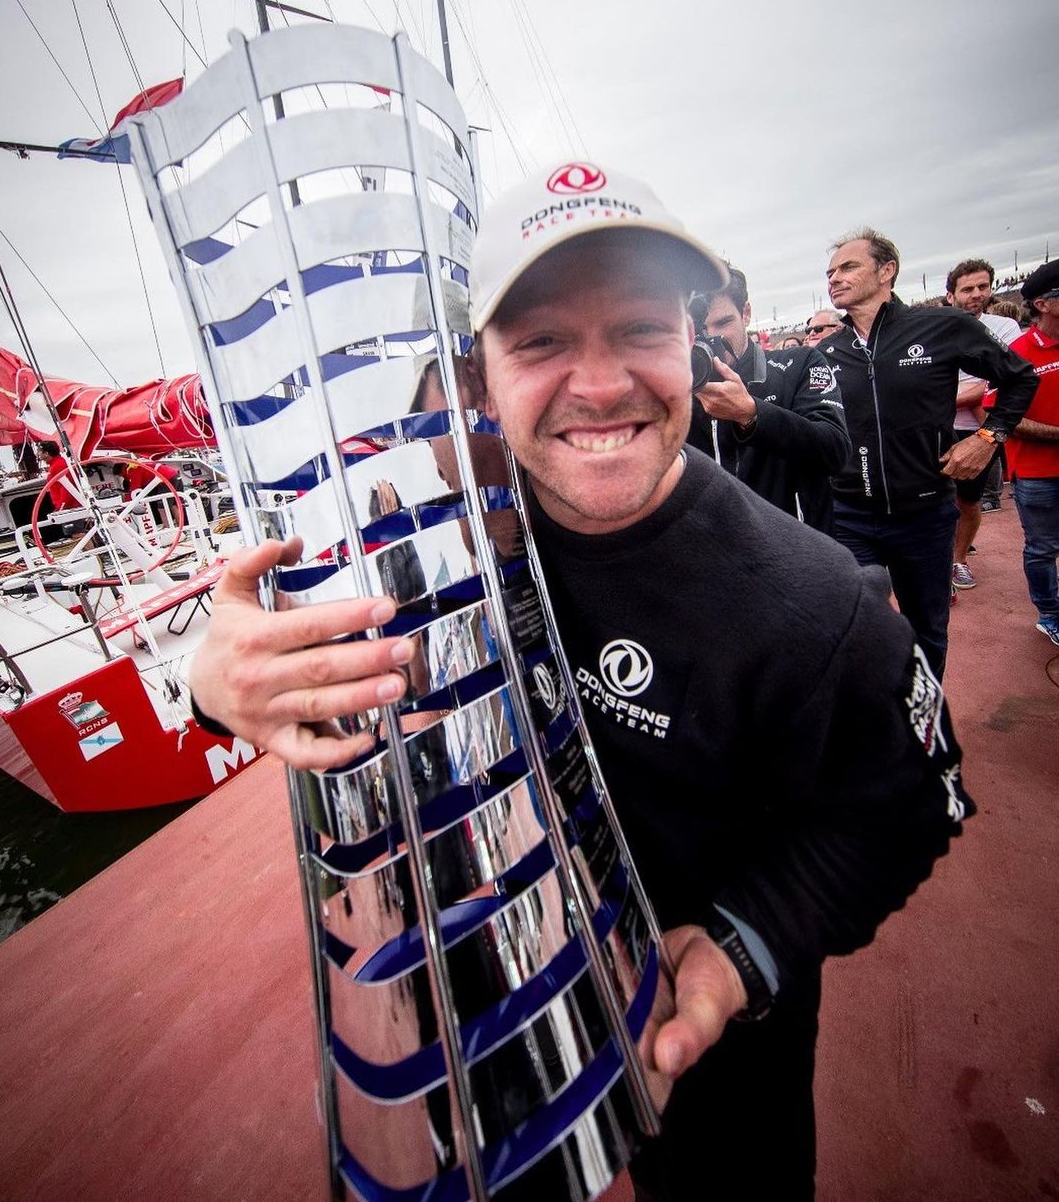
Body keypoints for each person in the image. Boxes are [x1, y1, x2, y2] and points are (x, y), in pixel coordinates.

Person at [189, 164, 973, 1200]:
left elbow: (913, 809)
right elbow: (307, 664)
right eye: (542, 341)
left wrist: (745, 946)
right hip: (527, 987)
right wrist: (216, 682)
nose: (600, 386)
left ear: (689, 343)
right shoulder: (452, 552)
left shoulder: (817, 606)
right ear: (480, 381)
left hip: (716, 1039)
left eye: (641, 329)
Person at [820, 228, 1037, 678]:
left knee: (926, 630)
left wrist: (987, 438)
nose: (834, 278)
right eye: (830, 272)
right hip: (850, 514)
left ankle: (925, 709)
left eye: (848, 267)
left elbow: (1020, 378)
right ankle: (877, 708)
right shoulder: (827, 351)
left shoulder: (943, 326)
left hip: (924, 514)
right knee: (854, 626)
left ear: (887, 271)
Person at [688, 267, 849, 533]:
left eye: (723, 323)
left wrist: (752, 414)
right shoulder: (678, 386)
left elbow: (835, 449)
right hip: (712, 546)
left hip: (792, 544)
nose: (712, 339)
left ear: (746, 313)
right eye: (700, 330)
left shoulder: (799, 363)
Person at [945, 259, 1022, 586]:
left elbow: (998, 385)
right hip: (939, 427)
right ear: (951, 295)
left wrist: (950, 398)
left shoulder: (1004, 328)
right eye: (967, 289)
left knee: (969, 499)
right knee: (935, 499)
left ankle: (958, 560)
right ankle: (943, 554)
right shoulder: (938, 329)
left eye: (982, 287)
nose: (976, 294)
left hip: (980, 430)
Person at [995, 260, 1059, 644]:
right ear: (1042, 304)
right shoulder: (1016, 353)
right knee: (1042, 548)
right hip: (1037, 473)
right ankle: (1050, 613)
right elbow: (1001, 414)